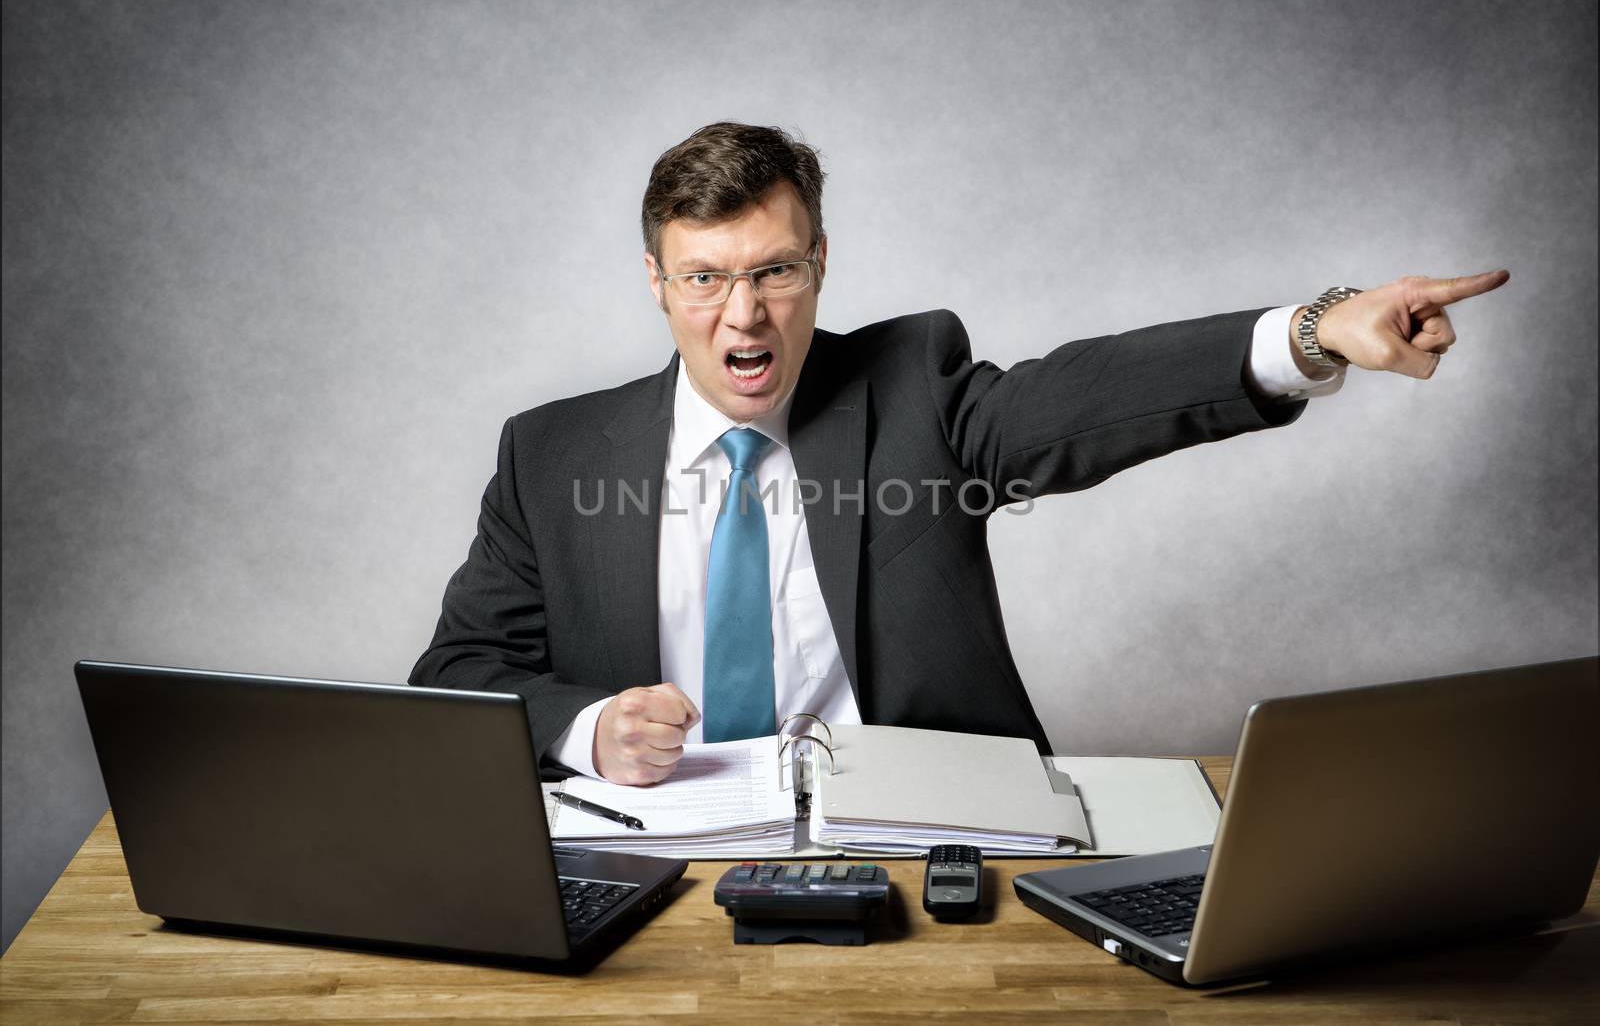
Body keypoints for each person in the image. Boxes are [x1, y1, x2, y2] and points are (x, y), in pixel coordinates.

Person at [410, 121, 1507, 787]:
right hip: (656, 853)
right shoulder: (549, 455)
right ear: (656, 282)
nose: (743, 316)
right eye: (704, 278)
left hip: (909, 843)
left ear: (822, 264)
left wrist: (1308, 332)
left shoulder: (909, 394)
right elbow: (455, 676)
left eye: (775, 271)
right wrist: (592, 726)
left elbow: (1079, 398)